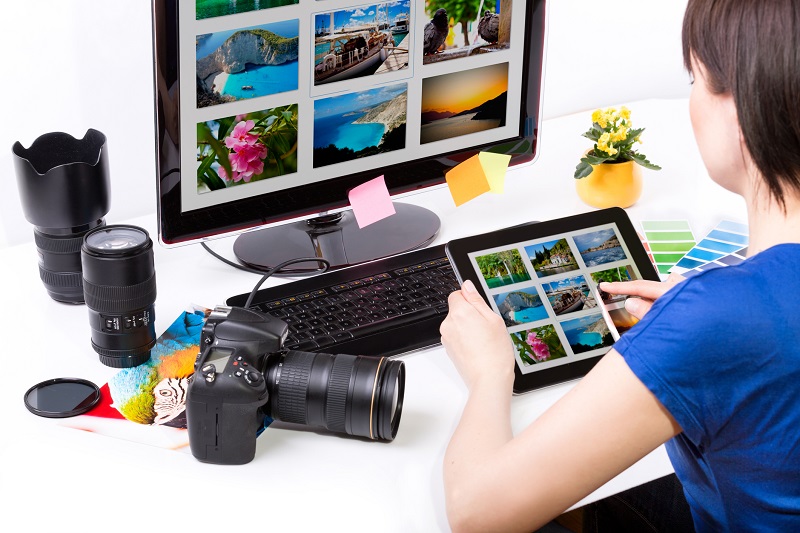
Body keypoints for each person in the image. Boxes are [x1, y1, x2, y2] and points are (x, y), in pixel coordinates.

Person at [438, 1, 800, 531]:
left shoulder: (718, 319)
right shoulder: (727, 311)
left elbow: (476, 513)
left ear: (742, 110)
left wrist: (491, 371)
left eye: (694, 78)